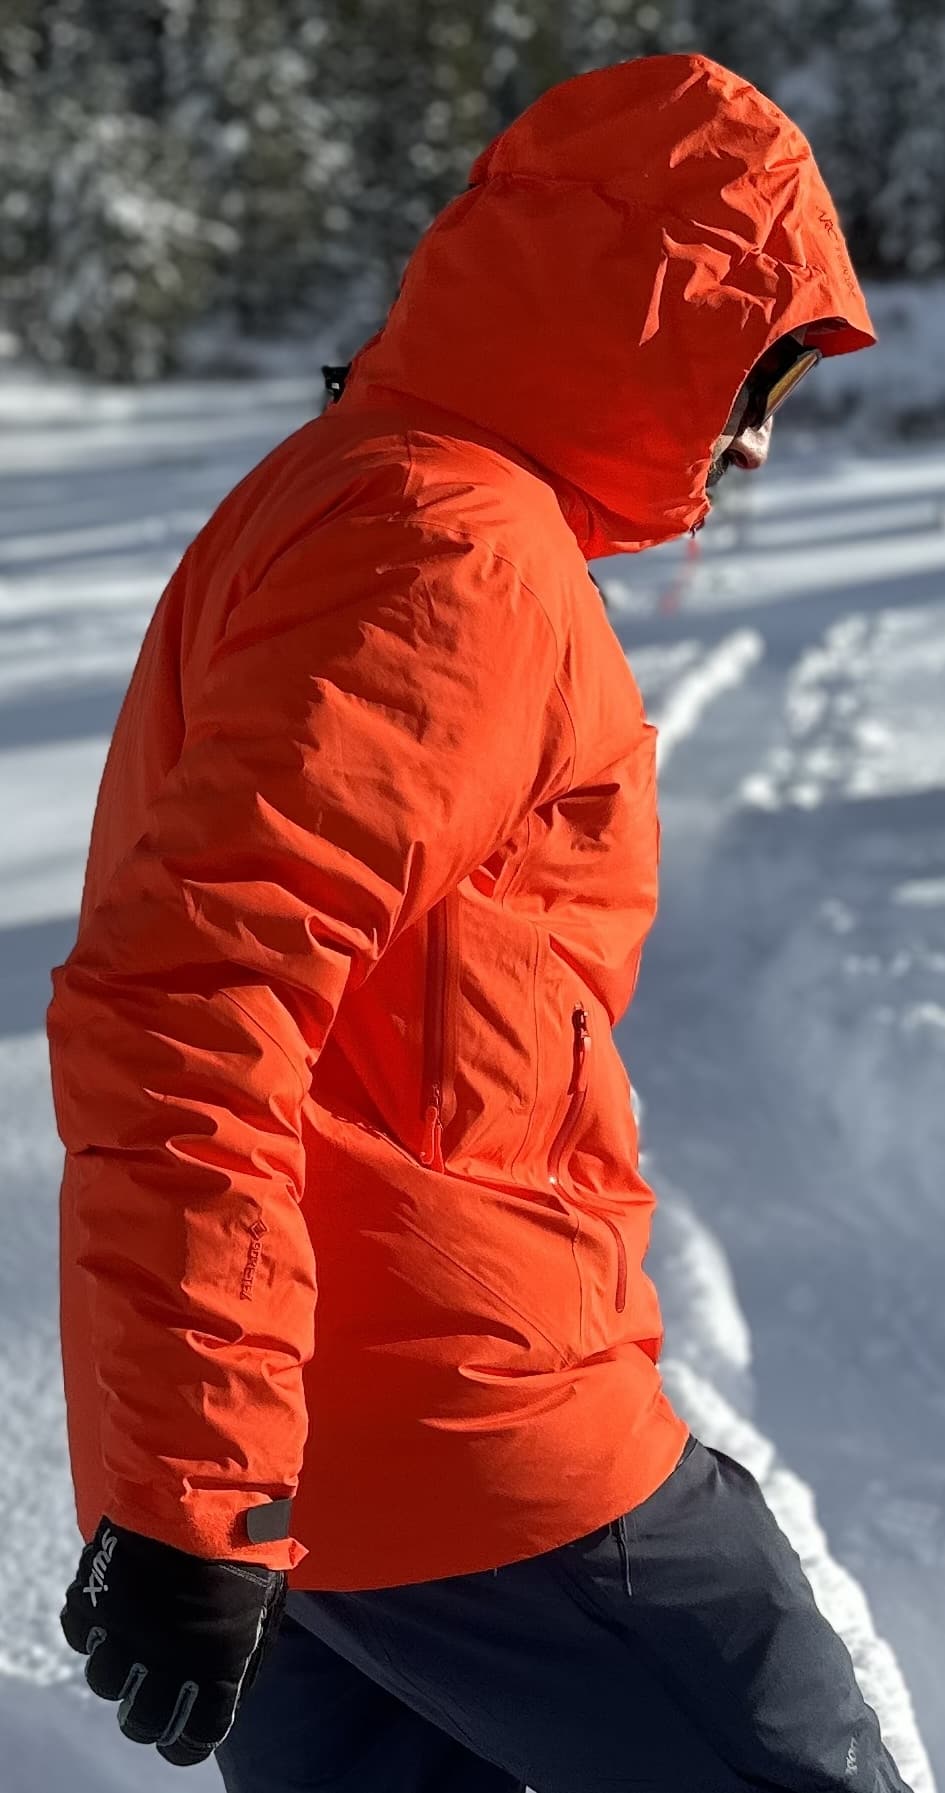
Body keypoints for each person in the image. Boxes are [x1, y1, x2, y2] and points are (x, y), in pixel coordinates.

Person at [49, 50, 911, 1793]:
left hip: (335, 1462)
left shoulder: (352, 487)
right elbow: (188, 993)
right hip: (466, 1426)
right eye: (753, 371)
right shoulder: (451, 552)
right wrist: (196, 1480)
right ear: (641, 318)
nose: (751, 439)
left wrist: (217, 1486)